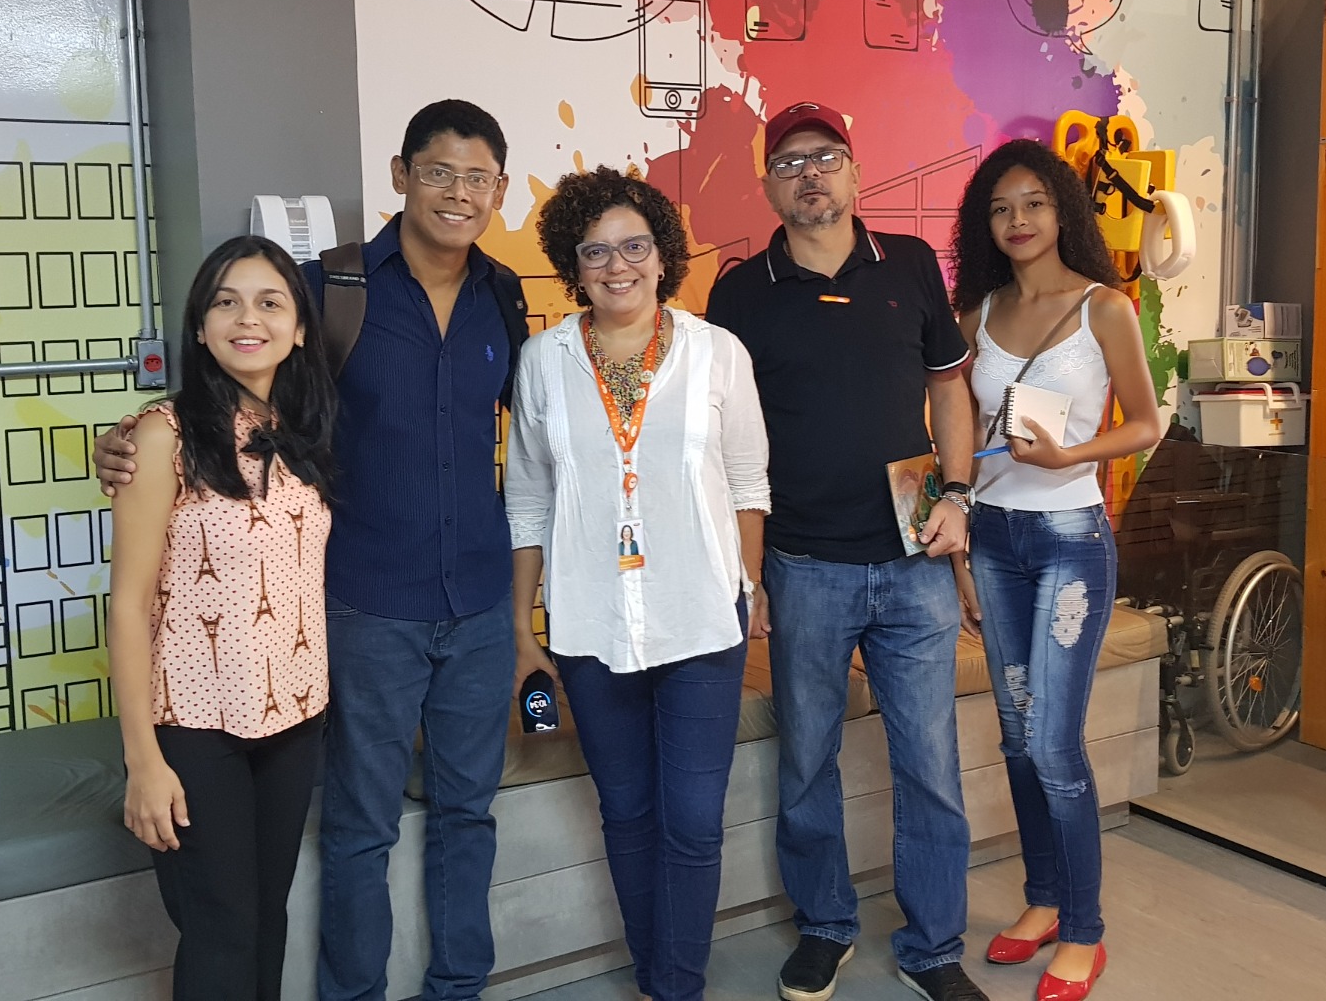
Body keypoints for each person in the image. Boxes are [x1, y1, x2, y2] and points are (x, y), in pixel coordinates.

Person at [97, 100, 530, 1001]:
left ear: (499, 189)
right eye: (438, 172)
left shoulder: (503, 294)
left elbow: (529, 439)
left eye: (478, 178)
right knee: (360, 829)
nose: (457, 193)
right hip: (369, 606)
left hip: (480, 603)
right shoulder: (330, 288)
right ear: (401, 175)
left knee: (468, 816)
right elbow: (233, 371)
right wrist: (131, 440)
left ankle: (459, 987)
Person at [705, 102, 986, 1001]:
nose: (810, 174)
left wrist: (958, 495)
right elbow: (725, 445)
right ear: (768, 187)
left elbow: (950, 391)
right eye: (789, 163)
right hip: (803, 565)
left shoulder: (909, 263)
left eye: (825, 156)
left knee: (930, 765)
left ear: (856, 171)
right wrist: (749, 572)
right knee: (806, 762)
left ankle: (933, 946)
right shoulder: (740, 294)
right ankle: (825, 926)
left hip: (914, 561)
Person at [505, 166, 770, 1001]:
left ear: (662, 258)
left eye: (634, 247)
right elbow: (528, 500)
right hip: (589, 620)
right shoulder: (543, 360)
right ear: (573, 266)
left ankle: (676, 984)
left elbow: (748, 484)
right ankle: (656, 978)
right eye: (595, 252)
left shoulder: (717, 352)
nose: (616, 266)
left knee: (691, 820)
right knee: (625, 813)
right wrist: (522, 626)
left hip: (701, 616)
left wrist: (748, 584)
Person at [949, 139, 1161, 1001]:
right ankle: (1043, 899)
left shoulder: (1103, 308)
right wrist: (958, 542)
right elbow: (953, 425)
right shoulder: (976, 314)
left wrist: (1072, 453)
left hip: (1070, 538)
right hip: (993, 540)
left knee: (1051, 742)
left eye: (1033, 202)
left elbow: (1145, 423)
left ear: (1062, 210)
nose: (1018, 220)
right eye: (1001, 208)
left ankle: (1084, 930)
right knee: (1014, 733)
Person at [107, 235, 337, 1001]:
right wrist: (143, 760)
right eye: (226, 302)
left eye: (270, 302)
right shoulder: (162, 435)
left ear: (298, 328)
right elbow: (128, 605)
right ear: (201, 327)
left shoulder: (302, 431)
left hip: (294, 716)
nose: (248, 318)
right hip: (194, 725)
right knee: (222, 928)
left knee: (266, 919)